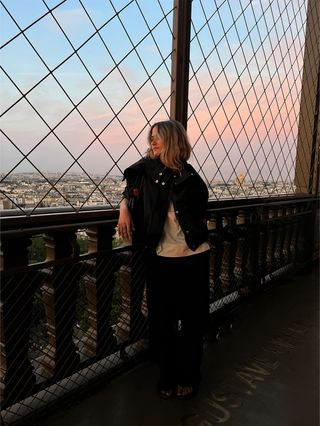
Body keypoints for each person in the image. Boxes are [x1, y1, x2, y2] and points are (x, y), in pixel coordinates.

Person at [117, 119, 210, 399]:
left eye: (157, 138)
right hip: (160, 257)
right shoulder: (145, 170)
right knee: (162, 322)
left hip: (193, 256)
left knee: (192, 322)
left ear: (172, 140)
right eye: (151, 138)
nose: (152, 143)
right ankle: (168, 375)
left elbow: (198, 213)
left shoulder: (190, 176)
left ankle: (189, 376)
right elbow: (128, 188)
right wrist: (123, 207)